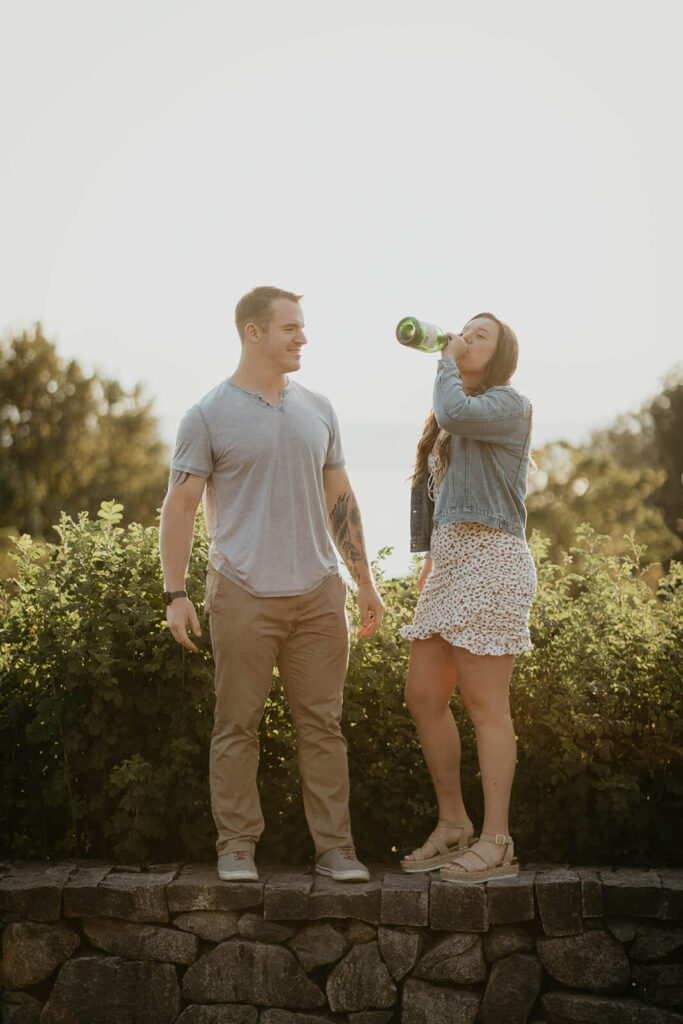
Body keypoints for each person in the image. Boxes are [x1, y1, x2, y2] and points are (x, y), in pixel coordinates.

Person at [159, 286, 385, 883]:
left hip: (318, 592)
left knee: (324, 728)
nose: (303, 337)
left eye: (303, 327)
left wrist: (364, 580)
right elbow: (179, 507)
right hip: (242, 591)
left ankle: (335, 849)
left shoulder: (318, 407)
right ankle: (236, 847)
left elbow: (340, 497)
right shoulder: (207, 414)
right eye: (290, 327)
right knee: (237, 724)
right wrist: (176, 594)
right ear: (252, 331)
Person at [398, 312, 536, 883]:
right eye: (465, 331)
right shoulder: (450, 416)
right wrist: (428, 568)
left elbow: (457, 409)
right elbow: (434, 500)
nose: (465, 338)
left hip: (494, 559)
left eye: (481, 336)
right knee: (423, 694)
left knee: (486, 706)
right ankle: (454, 824)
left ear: (500, 356)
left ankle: (497, 840)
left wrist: (442, 359)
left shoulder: (509, 405)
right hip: (451, 564)